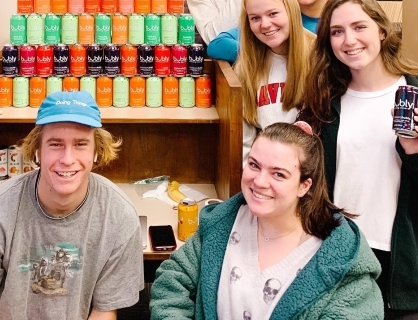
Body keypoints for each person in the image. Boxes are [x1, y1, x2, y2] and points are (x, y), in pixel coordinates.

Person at [150, 122, 383, 320]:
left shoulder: (342, 261)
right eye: (254, 165)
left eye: (278, 174)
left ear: (305, 186)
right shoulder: (221, 224)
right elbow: (172, 281)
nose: (259, 181)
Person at [0, 91, 144, 320]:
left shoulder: (119, 217)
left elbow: (104, 312)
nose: (67, 159)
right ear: (37, 151)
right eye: (56, 144)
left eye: (80, 144)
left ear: (96, 152)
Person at [299, 0, 418, 318]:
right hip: (339, 255)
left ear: (381, 29)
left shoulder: (413, 93)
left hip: (401, 264)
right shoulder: (323, 103)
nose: (349, 40)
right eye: (337, 32)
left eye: (359, 27)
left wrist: (414, 152)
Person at [234, 0, 314, 158]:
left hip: (313, 172)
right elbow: (245, 143)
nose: (265, 24)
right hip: (267, 172)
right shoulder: (245, 69)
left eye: (273, 14)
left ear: (291, 11)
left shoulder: (319, 57)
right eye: (255, 18)